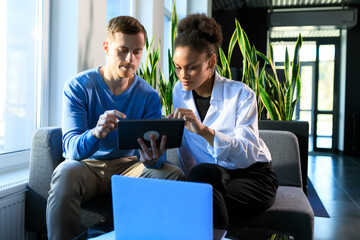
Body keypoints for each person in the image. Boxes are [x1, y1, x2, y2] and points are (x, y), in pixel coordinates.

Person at [46, 16, 184, 240]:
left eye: (137, 52)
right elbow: (71, 149)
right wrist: (95, 133)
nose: (130, 59)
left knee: (174, 174)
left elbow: (154, 160)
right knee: (65, 172)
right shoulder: (78, 87)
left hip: (129, 166)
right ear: (107, 48)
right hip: (86, 165)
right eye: (123, 50)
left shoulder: (148, 95)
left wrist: (152, 160)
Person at [167, 13, 278, 229]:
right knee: (199, 179)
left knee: (201, 204)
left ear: (211, 62)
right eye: (177, 67)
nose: (183, 75)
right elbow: (186, 148)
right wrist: (189, 184)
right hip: (212, 175)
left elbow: (246, 154)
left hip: (253, 175)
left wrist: (203, 131)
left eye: (191, 67)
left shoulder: (242, 94)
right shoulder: (179, 91)